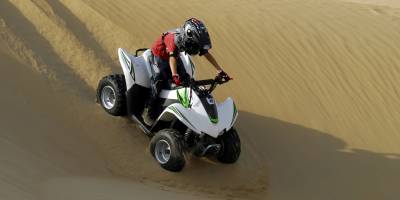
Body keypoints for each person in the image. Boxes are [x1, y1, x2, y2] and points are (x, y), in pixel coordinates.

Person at [144, 18, 231, 124]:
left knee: (187, 80)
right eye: (194, 44)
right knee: (158, 83)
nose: (196, 47)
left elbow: (207, 54)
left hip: (174, 56)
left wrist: (220, 70)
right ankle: (149, 112)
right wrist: (175, 75)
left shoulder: (189, 38)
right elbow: (172, 59)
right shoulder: (172, 38)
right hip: (159, 56)